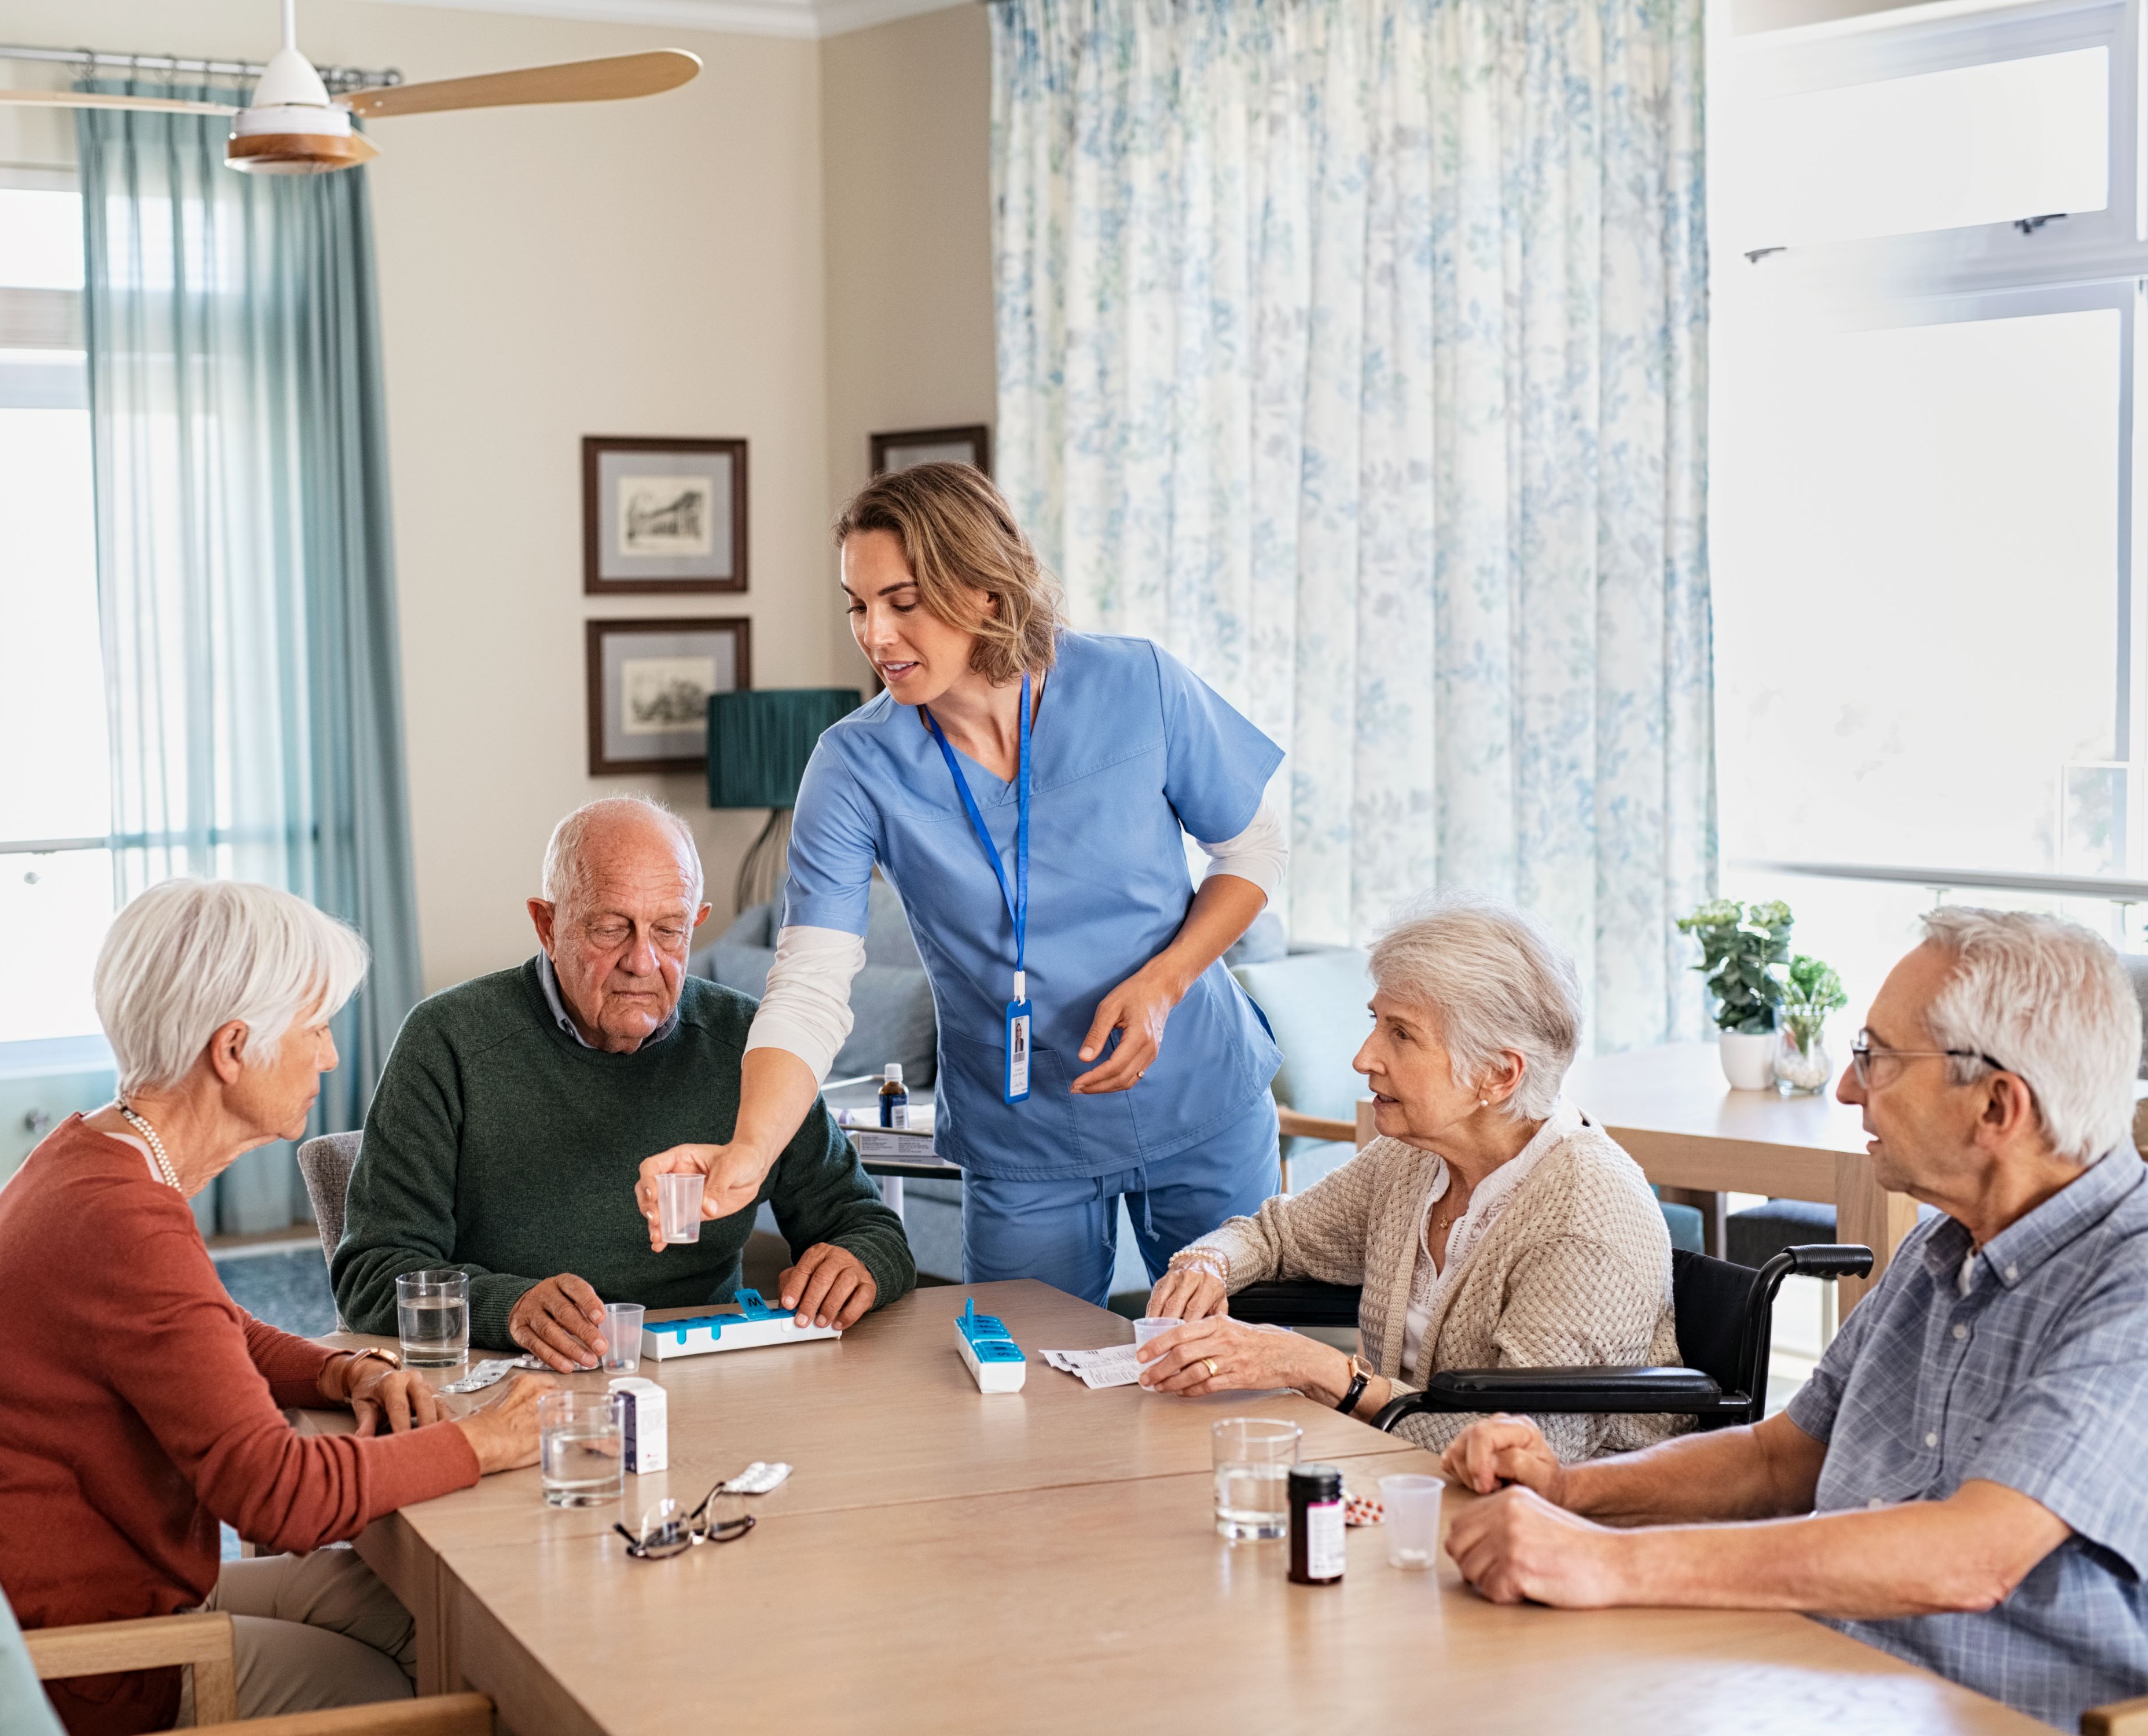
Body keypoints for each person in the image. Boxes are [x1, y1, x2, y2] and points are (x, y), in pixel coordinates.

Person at [1440, 909, 2148, 1734]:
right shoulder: (1946, 1246)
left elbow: (1974, 1555)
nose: (1847, 1087)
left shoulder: (2130, 1280)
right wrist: (1572, 1493)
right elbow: (1779, 1460)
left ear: (1997, 1105)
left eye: (1876, 1059)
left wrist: (1608, 1561)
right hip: (1831, 1677)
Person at [635, 462, 1288, 1302]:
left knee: (1227, 1376)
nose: (875, 635)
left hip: (1201, 1099)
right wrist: (748, 1153)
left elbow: (1252, 848)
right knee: (1028, 1399)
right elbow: (808, 984)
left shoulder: (1139, 684)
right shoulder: (853, 765)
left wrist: (1164, 984)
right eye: (859, 606)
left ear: (985, 589)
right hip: (1022, 1140)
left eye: (902, 602)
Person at [0, 880, 553, 1736]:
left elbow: (210, 1327)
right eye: (317, 1029)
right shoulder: (121, 1220)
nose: (330, 1058)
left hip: (79, 1593)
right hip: (75, 1667)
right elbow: (278, 1498)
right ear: (235, 1048)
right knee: (443, 1697)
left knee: (422, 1618)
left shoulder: (95, 1157)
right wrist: (480, 1442)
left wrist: (340, 1369)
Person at [331, 796, 915, 1366]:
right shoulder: (449, 1039)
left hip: (706, 1374)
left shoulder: (753, 1045)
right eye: (611, 928)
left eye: (668, 930)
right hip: (513, 1381)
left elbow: (870, 1227)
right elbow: (373, 1275)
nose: (643, 960)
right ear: (547, 924)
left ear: (696, 925)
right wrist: (506, 1307)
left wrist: (856, 1263)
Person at [1136, 898, 1682, 1459]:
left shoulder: (1583, 1221)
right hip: (1402, 1480)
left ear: (1498, 1073)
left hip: (1557, 1522)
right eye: (1377, 1023)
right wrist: (1208, 1263)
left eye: (1402, 1034)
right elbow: (1276, 1236)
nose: (1364, 1057)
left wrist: (1322, 1371)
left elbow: (1526, 1455)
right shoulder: (1415, 1158)